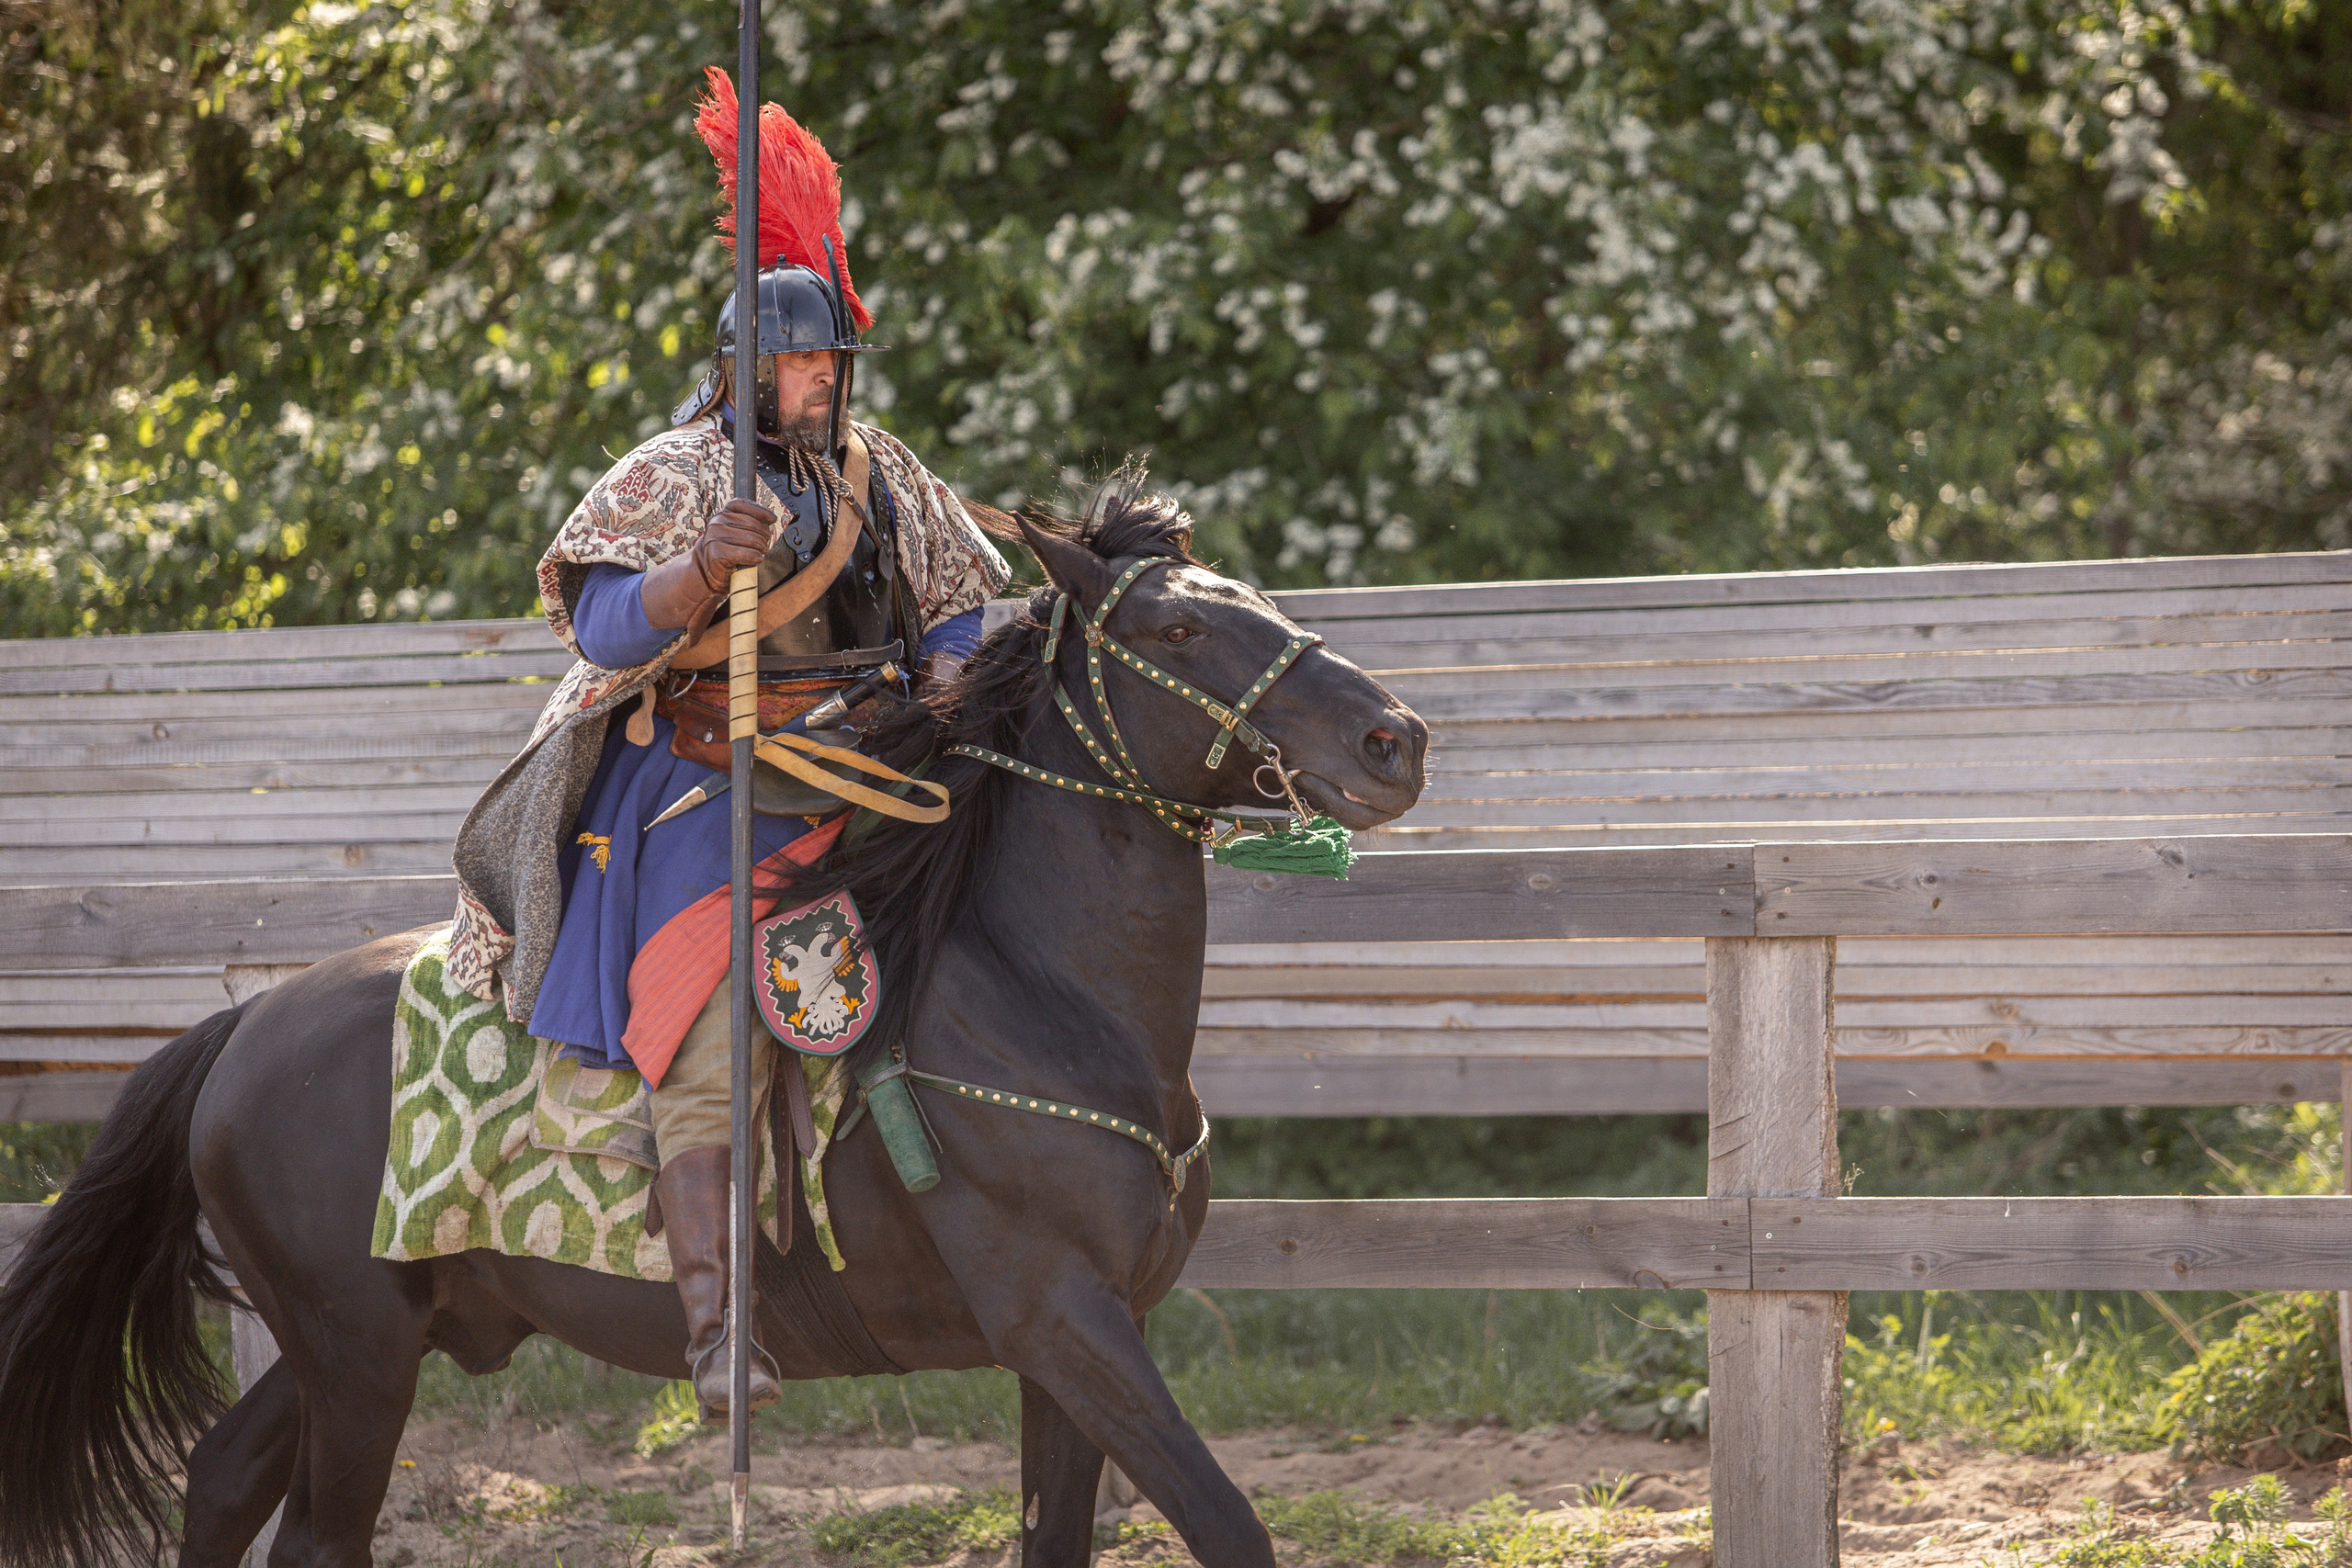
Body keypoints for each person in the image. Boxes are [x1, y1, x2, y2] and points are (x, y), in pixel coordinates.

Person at [444, 69, 1009, 1414]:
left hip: (873, 776)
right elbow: (601, 628)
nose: (818, 382)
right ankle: (714, 1330)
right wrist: (699, 572)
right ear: (743, 370)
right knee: (712, 1030)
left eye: (829, 362)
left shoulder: (882, 472)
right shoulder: (678, 472)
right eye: (797, 363)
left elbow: (968, 599)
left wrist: (945, 677)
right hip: (708, 785)